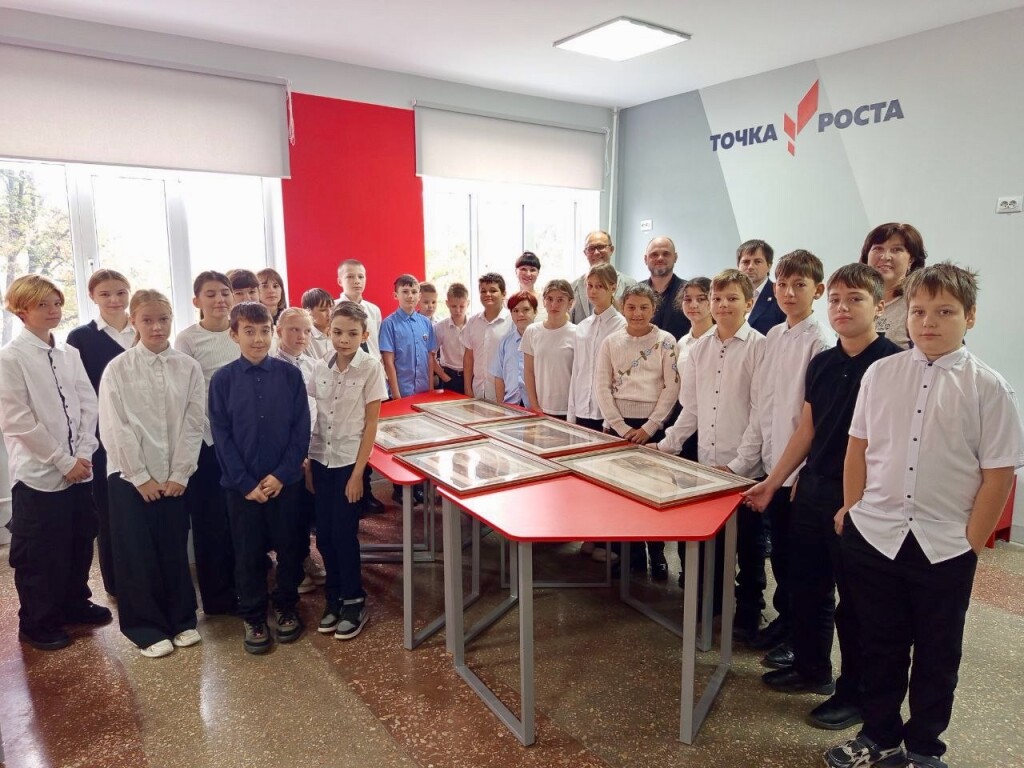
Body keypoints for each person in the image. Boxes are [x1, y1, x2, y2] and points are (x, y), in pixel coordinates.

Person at [824, 263, 1023, 768]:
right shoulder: (881, 373)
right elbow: (858, 447)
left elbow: (998, 475)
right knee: (878, 644)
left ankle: (924, 747)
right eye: (918, 311)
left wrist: (971, 542)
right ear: (904, 315)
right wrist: (853, 507)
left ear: (970, 317)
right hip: (876, 534)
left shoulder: (989, 387)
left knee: (938, 653)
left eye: (945, 312)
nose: (929, 322)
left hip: (945, 544)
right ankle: (879, 736)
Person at [744, 263, 900, 730]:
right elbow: (807, 430)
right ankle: (813, 668)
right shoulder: (824, 363)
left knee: (856, 603)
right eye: (835, 299)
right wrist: (775, 480)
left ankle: (856, 694)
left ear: (879, 306)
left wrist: (859, 502)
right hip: (814, 488)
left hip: (861, 499)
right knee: (807, 585)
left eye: (855, 299)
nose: (842, 308)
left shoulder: (892, 365)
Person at [0, 274, 110, 651]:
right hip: (39, 474)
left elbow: (88, 404)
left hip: (80, 468)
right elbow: (16, 420)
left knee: (79, 540)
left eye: (57, 303)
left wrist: (83, 453)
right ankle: (38, 622)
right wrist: (63, 461)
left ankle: (74, 603)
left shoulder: (68, 354)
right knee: (40, 552)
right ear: (21, 310)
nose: (53, 310)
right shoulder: (10, 358)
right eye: (43, 304)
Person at [658, 269, 766, 637]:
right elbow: (692, 408)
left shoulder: (759, 347)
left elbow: (760, 413)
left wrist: (738, 465)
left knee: (749, 546)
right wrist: (667, 445)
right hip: (708, 464)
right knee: (712, 543)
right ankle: (712, 604)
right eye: (717, 298)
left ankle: (750, 611)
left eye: (732, 298)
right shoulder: (699, 348)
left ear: (749, 303)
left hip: (746, 468)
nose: (722, 305)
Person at [98, 289, 205, 658]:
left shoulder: (187, 367)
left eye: (163, 319)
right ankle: (145, 627)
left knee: (173, 548)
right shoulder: (118, 369)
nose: (157, 327)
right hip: (130, 478)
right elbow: (115, 427)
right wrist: (140, 476)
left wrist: (180, 473)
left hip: (175, 477)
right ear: (134, 322)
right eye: (147, 320)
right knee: (137, 553)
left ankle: (182, 620)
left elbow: (193, 422)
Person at [741, 250, 833, 667]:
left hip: (799, 470)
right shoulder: (775, 335)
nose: (789, 293)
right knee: (780, 552)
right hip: (772, 461)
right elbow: (764, 402)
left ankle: (801, 633)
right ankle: (785, 618)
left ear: (818, 290)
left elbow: (817, 420)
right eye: (782, 285)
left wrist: (801, 472)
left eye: (799, 285)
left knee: (802, 561)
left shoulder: (820, 341)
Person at [209, 302, 311, 654]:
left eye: (264, 331)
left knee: (290, 548)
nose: (258, 339)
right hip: (242, 488)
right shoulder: (222, 380)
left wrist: (282, 474)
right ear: (233, 335)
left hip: (285, 483)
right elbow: (221, 436)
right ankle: (253, 615)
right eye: (249, 332)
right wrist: (245, 482)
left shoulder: (290, 376)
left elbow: (301, 429)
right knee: (247, 553)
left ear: (273, 332)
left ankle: (286, 606)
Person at [309, 303, 387, 640]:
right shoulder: (319, 367)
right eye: (338, 332)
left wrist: (358, 474)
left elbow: (371, 425)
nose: (344, 339)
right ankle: (334, 597)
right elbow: (313, 418)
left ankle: (354, 600)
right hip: (319, 460)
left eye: (352, 334)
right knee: (324, 536)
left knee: (343, 534)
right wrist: (308, 463)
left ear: (364, 335)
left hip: (347, 465)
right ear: (329, 331)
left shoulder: (370, 368)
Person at [596, 283, 680, 579]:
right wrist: (620, 427)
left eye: (644, 307)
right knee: (622, 496)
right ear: (622, 307)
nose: (637, 313)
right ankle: (630, 556)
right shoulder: (610, 342)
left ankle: (657, 553)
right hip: (617, 426)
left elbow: (672, 386)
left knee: (654, 494)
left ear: (654, 309)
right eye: (631, 306)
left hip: (651, 427)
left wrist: (650, 426)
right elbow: (601, 386)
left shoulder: (666, 341)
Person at [174, 271, 239, 616]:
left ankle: (247, 585)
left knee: (239, 519)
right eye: (210, 294)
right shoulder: (187, 339)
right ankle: (217, 598)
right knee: (210, 521)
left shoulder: (242, 331)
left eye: (224, 293)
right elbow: (188, 395)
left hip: (244, 441)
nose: (219, 300)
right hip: (207, 443)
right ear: (196, 301)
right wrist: (216, 436)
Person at [66, 268, 135, 597]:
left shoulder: (144, 329)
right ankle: (118, 584)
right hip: (102, 437)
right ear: (92, 296)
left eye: (120, 292)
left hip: (146, 432)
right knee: (109, 512)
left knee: (142, 507)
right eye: (105, 294)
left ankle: (148, 577)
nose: (114, 300)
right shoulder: (80, 338)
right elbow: (76, 394)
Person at [273, 307, 333, 581]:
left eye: (306, 331)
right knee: (289, 514)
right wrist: (295, 453)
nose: (301, 336)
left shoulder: (313, 365)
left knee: (308, 509)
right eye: (294, 330)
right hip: (286, 451)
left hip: (313, 446)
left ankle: (306, 558)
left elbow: (320, 407)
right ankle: (291, 567)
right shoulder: (272, 368)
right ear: (279, 331)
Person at [567, 263, 626, 431]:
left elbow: (620, 375)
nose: (593, 291)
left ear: (613, 288)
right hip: (581, 408)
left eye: (599, 286)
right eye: (590, 285)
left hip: (606, 413)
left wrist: (610, 419)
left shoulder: (622, 326)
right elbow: (577, 370)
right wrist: (571, 413)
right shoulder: (582, 327)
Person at [858, 222, 928, 350]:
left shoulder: (918, 305)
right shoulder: (854, 301)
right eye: (878, 248)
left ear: (911, 259)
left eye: (896, 250)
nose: (885, 257)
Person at [522, 279, 576, 419]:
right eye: (550, 299)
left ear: (570, 303)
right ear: (544, 301)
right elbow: (528, 372)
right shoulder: (532, 331)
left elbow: (580, 375)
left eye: (560, 300)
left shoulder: (577, 333)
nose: (554, 305)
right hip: (541, 408)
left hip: (569, 409)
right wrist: (535, 406)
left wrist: (574, 410)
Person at [380, 275, 438, 400]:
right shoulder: (388, 324)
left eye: (414, 292)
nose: (410, 296)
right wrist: (396, 395)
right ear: (396, 295)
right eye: (405, 292)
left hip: (424, 390)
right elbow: (388, 362)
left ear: (419, 296)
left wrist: (431, 388)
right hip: (401, 392)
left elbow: (430, 357)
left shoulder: (426, 323)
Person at [571, 231, 638, 324]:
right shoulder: (573, 287)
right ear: (585, 253)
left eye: (600, 247)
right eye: (591, 248)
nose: (596, 252)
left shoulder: (630, 285)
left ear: (611, 249)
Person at [463, 273, 511, 400]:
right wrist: (467, 388)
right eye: (483, 291)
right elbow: (468, 357)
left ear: (504, 294)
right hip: (477, 390)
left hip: (505, 393)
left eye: (493, 291)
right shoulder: (473, 322)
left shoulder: (512, 322)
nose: (487, 294)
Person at [490, 292, 537, 408]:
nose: (520, 314)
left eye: (526, 309)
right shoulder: (505, 342)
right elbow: (499, 377)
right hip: (511, 404)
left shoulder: (542, 340)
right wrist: (501, 406)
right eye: (515, 311)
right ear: (511, 314)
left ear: (535, 312)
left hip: (537, 405)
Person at [640, 236, 691, 340]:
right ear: (645, 259)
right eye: (654, 254)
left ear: (675, 257)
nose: (660, 258)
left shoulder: (689, 292)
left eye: (666, 254)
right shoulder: (635, 293)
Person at [336, 259, 383, 362]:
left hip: (373, 364)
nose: (357, 281)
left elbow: (378, 343)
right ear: (339, 281)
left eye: (361, 277)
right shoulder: (332, 309)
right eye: (350, 277)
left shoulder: (374, 310)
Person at [738, 239, 786, 336]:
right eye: (746, 262)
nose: (750, 267)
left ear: (769, 266)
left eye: (757, 262)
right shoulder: (729, 297)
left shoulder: (780, 295)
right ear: (738, 266)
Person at [435, 283, 470, 394]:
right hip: (449, 376)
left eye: (462, 306)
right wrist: (444, 376)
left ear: (468, 303)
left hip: (471, 375)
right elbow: (430, 355)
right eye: (454, 306)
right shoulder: (440, 327)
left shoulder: (474, 325)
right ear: (447, 303)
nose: (458, 310)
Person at [301, 287, 336, 360]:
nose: (330, 313)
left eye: (332, 308)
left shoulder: (339, 333)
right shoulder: (304, 339)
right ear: (308, 311)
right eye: (323, 310)